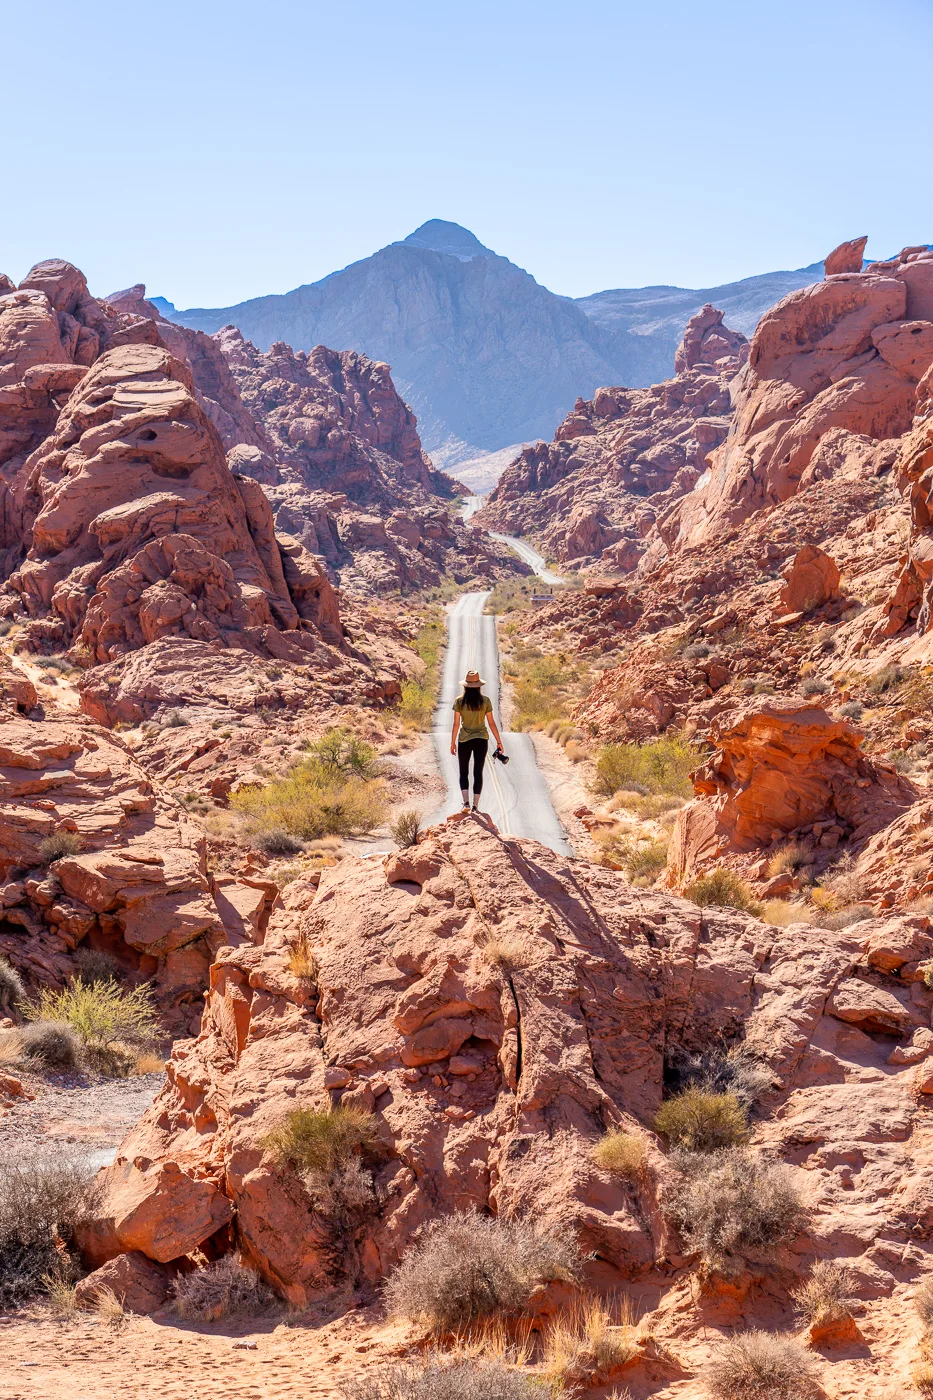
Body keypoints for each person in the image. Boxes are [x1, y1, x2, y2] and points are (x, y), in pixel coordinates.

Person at [450, 669, 505, 812]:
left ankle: (466, 803)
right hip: (481, 739)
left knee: (463, 772)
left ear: (465, 686)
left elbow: (456, 724)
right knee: (478, 772)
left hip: (464, 739)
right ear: (479, 686)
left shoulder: (459, 701)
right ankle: (475, 806)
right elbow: (492, 723)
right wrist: (499, 742)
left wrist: (452, 742)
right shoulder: (485, 701)